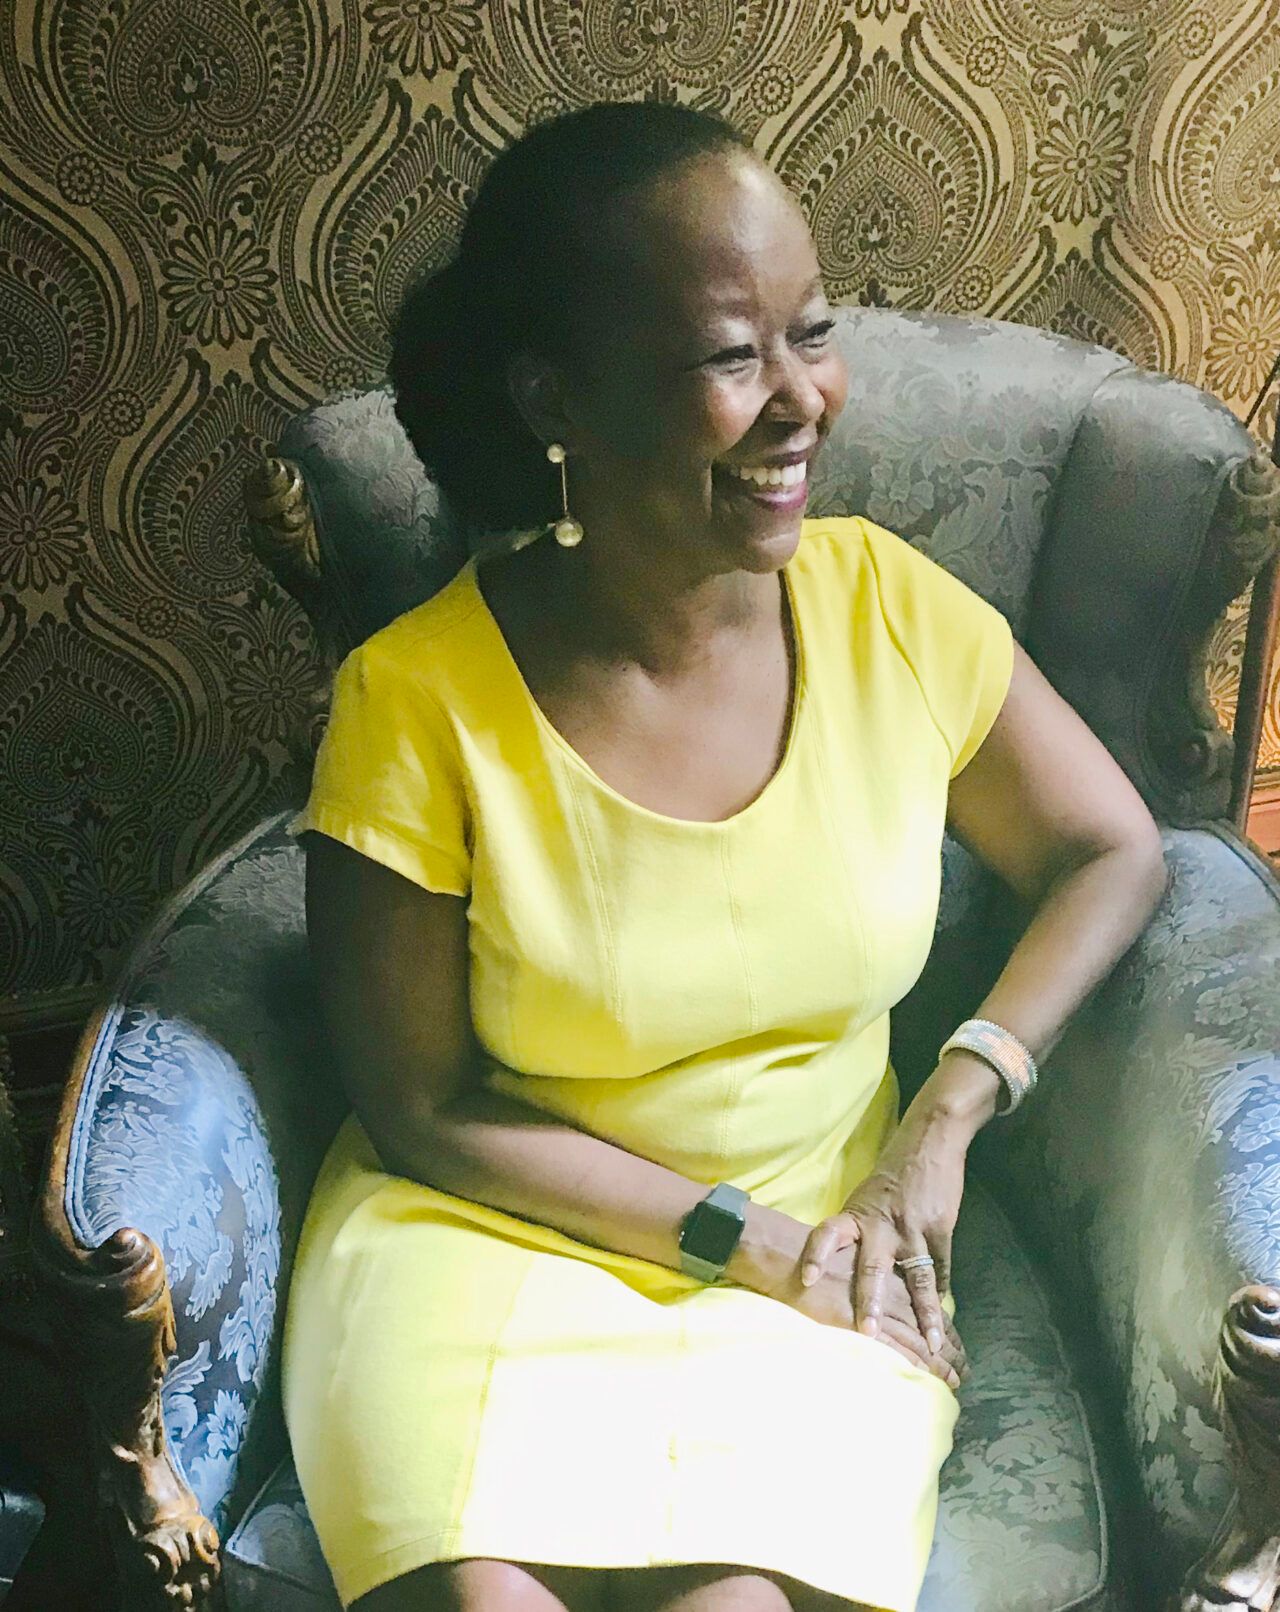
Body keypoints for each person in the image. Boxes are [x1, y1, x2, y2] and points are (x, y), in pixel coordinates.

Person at [282, 101, 1167, 1612]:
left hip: (826, 1250)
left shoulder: (892, 611)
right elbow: (420, 1107)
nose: (802, 399)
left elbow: (1113, 850)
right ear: (558, 397)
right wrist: (736, 1240)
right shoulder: (414, 698)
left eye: (811, 333)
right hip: (489, 1244)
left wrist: (948, 1113)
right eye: (729, 356)